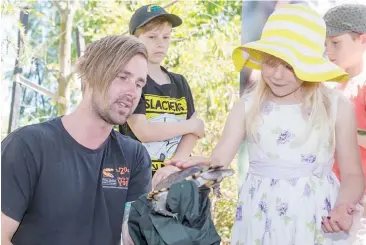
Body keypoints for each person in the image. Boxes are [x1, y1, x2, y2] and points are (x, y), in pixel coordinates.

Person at [166, 3, 364, 244]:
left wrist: (344, 205)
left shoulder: (336, 106)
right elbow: (219, 160)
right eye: (271, 63)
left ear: (310, 65)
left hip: (317, 218)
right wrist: (201, 165)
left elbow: (353, 173)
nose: (277, 75)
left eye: (290, 66)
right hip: (259, 216)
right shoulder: (247, 106)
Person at [1, 35, 152, 245]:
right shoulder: (27, 145)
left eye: (139, 83)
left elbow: (133, 237)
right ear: (90, 74)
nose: (131, 92)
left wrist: (171, 199)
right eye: (122, 77)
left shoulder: (134, 156)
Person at [119, 4, 204, 188]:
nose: (161, 43)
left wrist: (176, 164)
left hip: (176, 179)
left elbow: (193, 134)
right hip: (138, 180)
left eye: (166, 37)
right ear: (134, 39)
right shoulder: (131, 82)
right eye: (152, 37)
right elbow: (144, 132)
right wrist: (189, 125)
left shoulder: (180, 82)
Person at [324, 3, 366, 194]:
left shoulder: (362, 87)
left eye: (335, 43)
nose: (329, 52)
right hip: (333, 194)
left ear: (362, 39)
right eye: (325, 44)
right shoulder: (332, 87)